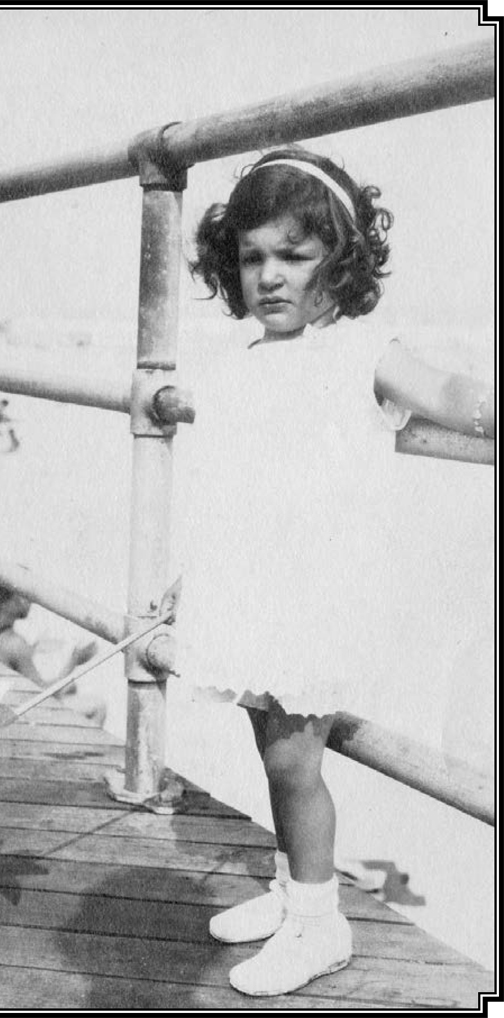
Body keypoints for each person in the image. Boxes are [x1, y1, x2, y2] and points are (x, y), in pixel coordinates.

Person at [179, 147, 495, 997]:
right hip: (251, 579)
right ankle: (293, 890)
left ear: (342, 260)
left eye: (293, 255)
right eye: (252, 258)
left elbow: (456, 395)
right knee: (264, 739)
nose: (269, 277)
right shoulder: (248, 356)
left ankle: (321, 922)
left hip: (312, 588)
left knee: (294, 762)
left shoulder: (359, 348)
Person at [0, 580, 97, 691]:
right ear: (12, 598)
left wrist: (33, 649)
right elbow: (43, 693)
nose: (31, 600)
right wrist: (75, 660)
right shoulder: (15, 644)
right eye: (25, 595)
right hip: (1, 711)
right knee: (98, 706)